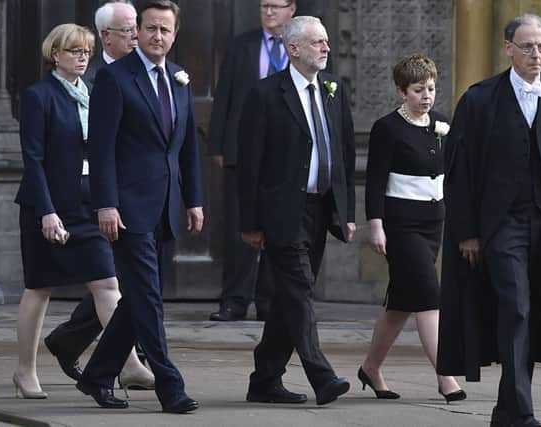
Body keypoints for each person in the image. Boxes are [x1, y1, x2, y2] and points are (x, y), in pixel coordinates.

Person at [437, 14, 541, 427]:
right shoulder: (479, 99)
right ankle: (522, 413)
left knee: (536, 313)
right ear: (508, 48)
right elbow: (458, 173)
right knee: (516, 308)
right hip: (501, 226)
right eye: (527, 46)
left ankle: (507, 410)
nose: (536, 54)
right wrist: (468, 233)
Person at [75, 0, 204, 414]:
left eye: (165, 30)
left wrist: (195, 199)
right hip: (127, 208)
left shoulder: (180, 80)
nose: (157, 36)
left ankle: (97, 375)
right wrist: (106, 204)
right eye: (149, 28)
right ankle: (170, 384)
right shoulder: (115, 78)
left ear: (174, 34)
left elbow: (187, 149)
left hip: (165, 205)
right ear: (137, 32)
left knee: (138, 300)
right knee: (148, 298)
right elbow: (101, 147)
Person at [13, 23, 149, 399]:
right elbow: (34, 160)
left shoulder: (92, 92)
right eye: (74, 51)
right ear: (55, 55)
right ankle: (25, 372)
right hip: (49, 206)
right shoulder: (39, 96)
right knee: (39, 288)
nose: (82, 57)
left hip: (88, 206)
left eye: (86, 52)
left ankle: (131, 365)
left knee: (107, 282)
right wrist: (47, 212)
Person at [238, 15, 355, 406]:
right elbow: (250, 163)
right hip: (280, 212)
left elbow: (343, 153)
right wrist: (250, 222)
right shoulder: (266, 94)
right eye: (317, 42)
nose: (326, 48)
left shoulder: (333, 92)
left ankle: (265, 380)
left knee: (290, 297)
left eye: (326, 42)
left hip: (319, 210)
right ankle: (322, 375)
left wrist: (345, 211)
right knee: (300, 290)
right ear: (293, 49)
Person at [359, 54, 465, 403]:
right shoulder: (387, 128)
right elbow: (375, 182)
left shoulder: (441, 123)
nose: (427, 96)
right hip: (400, 225)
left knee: (402, 303)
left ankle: (371, 368)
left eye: (431, 88)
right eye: (418, 90)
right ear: (401, 91)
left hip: (433, 222)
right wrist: (376, 225)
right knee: (428, 295)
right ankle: (444, 374)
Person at [207, 0, 296, 323]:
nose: (269, 11)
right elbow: (224, 97)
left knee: (278, 229)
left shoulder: (298, 48)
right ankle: (234, 300)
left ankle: (269, 301)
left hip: (285, 153)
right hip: (242, 150)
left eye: (276, 6)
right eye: (264, 6)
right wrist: (218, 144)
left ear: (292, 9)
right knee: (238, 229)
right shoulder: (241, 45)